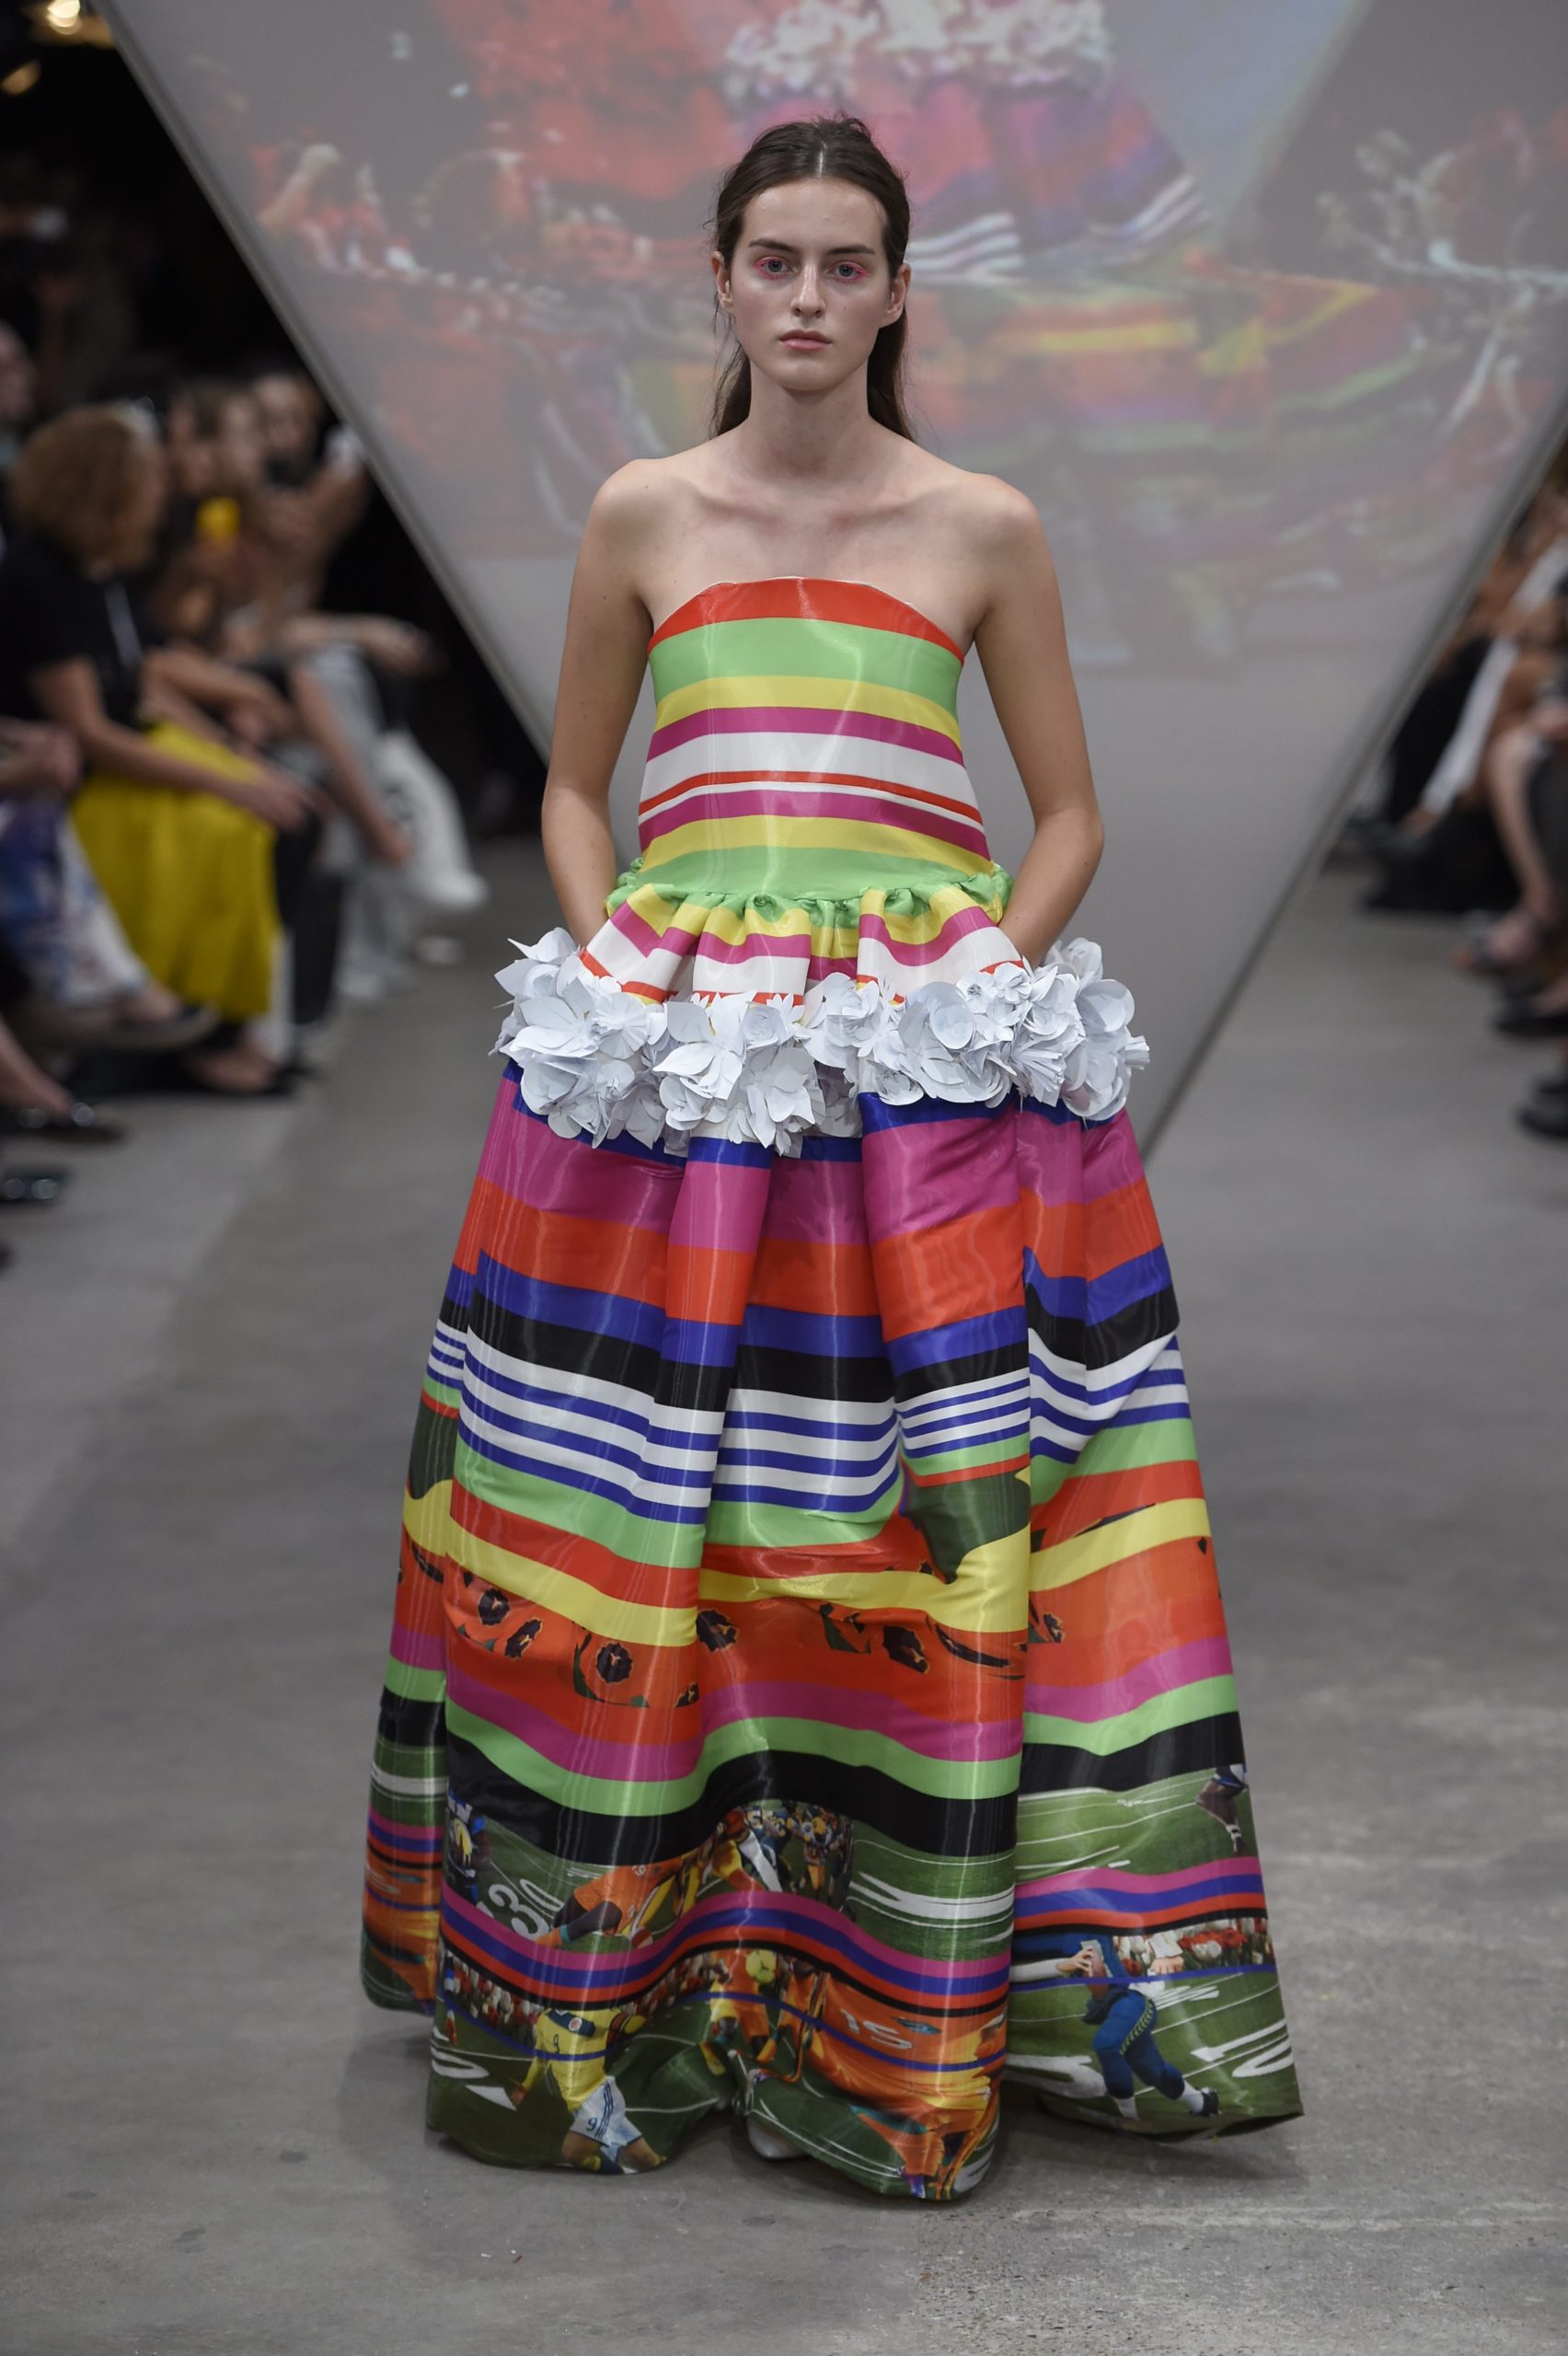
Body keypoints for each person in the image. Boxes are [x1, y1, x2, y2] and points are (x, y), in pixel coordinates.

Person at [360, 112, 1302, 2200]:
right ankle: (621, 1990)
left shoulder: (981, 521)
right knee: (639, 1506)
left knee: (905, 1512)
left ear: (894, 291)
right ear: (718, 281)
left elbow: (1063, 813)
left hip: (920, 1103)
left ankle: (931, 1977)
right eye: (769, 259)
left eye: (842, 262)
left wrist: (961, 986)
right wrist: (621, 961)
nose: (803, 296)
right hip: (677, 1090)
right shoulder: (639, 512)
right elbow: (574, 788)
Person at [0, 405, 320, 1094]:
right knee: (249, 825)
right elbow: (92, 731)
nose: (160, 496)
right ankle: (210, 1038)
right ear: (104, 488)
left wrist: (233, 760)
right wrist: (230, 784)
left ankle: (238, 1029)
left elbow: (141, 683)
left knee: (287, 807)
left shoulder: (96, 569)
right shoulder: (40, 578)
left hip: (117, 752)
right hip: (77, 781)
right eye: (145, 482)